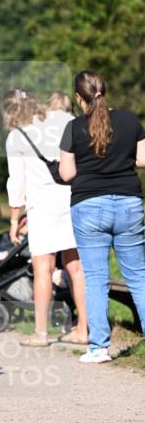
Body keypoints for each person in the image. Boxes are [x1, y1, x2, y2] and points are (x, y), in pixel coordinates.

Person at [59, 70, 145, 363]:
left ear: (78, 98)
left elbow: (67, 173)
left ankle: (98, 348)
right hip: (129, 204)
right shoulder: (130, 120)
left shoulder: (73, 128)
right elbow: (143, 159)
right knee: (139, 276)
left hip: (89, 206)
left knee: (95, 278)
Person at [4, 87, 88, 346]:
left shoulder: (17, 136)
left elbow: (16, 183)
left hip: (41, 208)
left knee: (43, 269)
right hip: (74, 201)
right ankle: (84, 329)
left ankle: (40, 334)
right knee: (76, 267)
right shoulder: (64, 121)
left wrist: (14, 219)